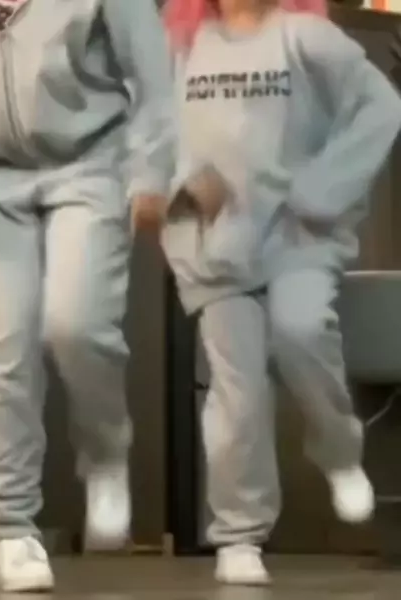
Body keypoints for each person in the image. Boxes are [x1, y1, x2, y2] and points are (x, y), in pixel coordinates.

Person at [0, 0, 174, 592]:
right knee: (6, 347)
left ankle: (105, 452)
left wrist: (152, 171)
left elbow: (151, 74)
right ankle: (14, 529)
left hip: (91, 166)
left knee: (75, 326)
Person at [162, 0, 401, 586]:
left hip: (299, 238)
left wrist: (322, 189)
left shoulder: (307, 39)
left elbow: (381, 106)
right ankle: (239, 534)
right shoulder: (182, 49)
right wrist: (184, 184)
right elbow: (151, 134)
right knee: (236, 391)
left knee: (302, 330)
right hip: (219, 247)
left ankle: (338, 450)